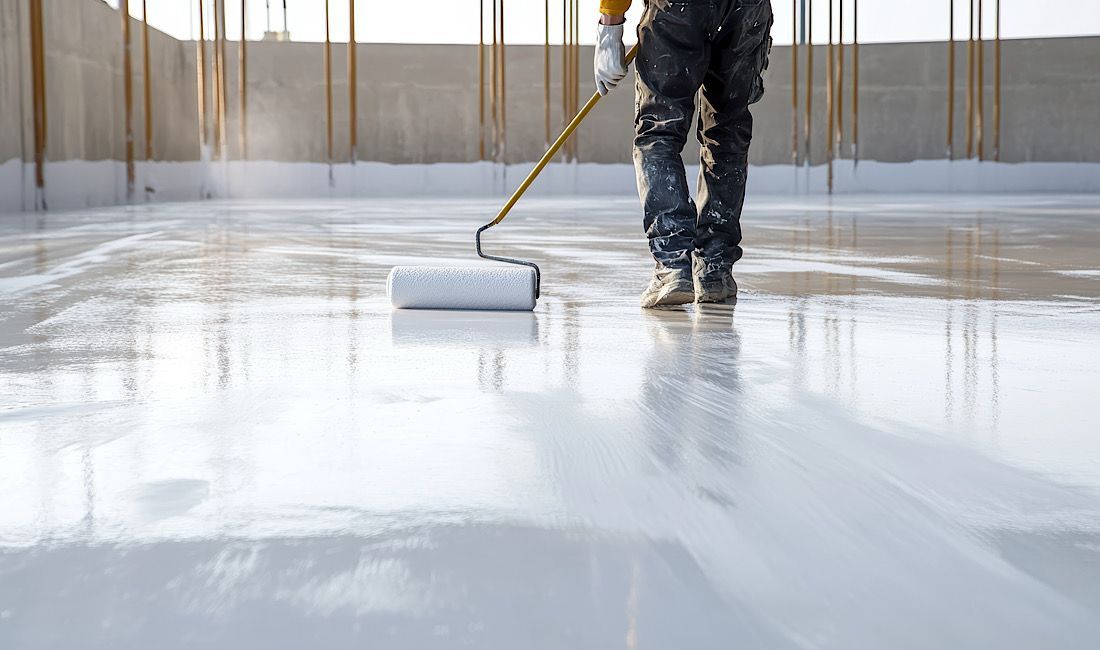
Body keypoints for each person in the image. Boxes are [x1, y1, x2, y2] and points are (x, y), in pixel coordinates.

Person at [594, 0, 773, 307]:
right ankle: (714, 269)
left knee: (659, 131)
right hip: (747, 9)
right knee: (726, 135)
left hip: (679, 8)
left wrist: (610, 25)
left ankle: (673, 264)